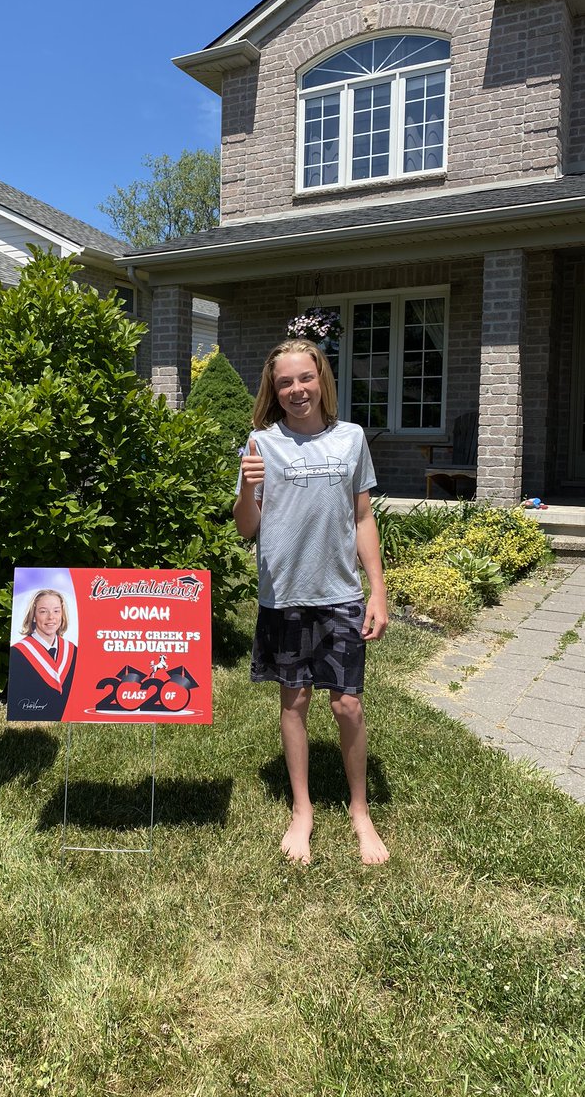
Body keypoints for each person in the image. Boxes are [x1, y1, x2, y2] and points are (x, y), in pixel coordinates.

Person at [233, 338, 389, 867]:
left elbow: (363, 518)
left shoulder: (351, 439)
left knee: (348, 704)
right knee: (294, 701)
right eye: (284, 382)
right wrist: (246, 492)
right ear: (273, 391)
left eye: (305, 378)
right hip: (284, 596)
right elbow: (246, 530)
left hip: (341, 593)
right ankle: (302, 810)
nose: (297, 389)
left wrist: (378, 590)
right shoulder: (260, 444)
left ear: (321, 378)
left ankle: (359, 810)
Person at [7, 589, 77, 721]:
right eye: (43, 611)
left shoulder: (73, 651)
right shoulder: (18, 653)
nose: (51, 617)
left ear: (62, 615)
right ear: (33, 616)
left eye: (56, 611)